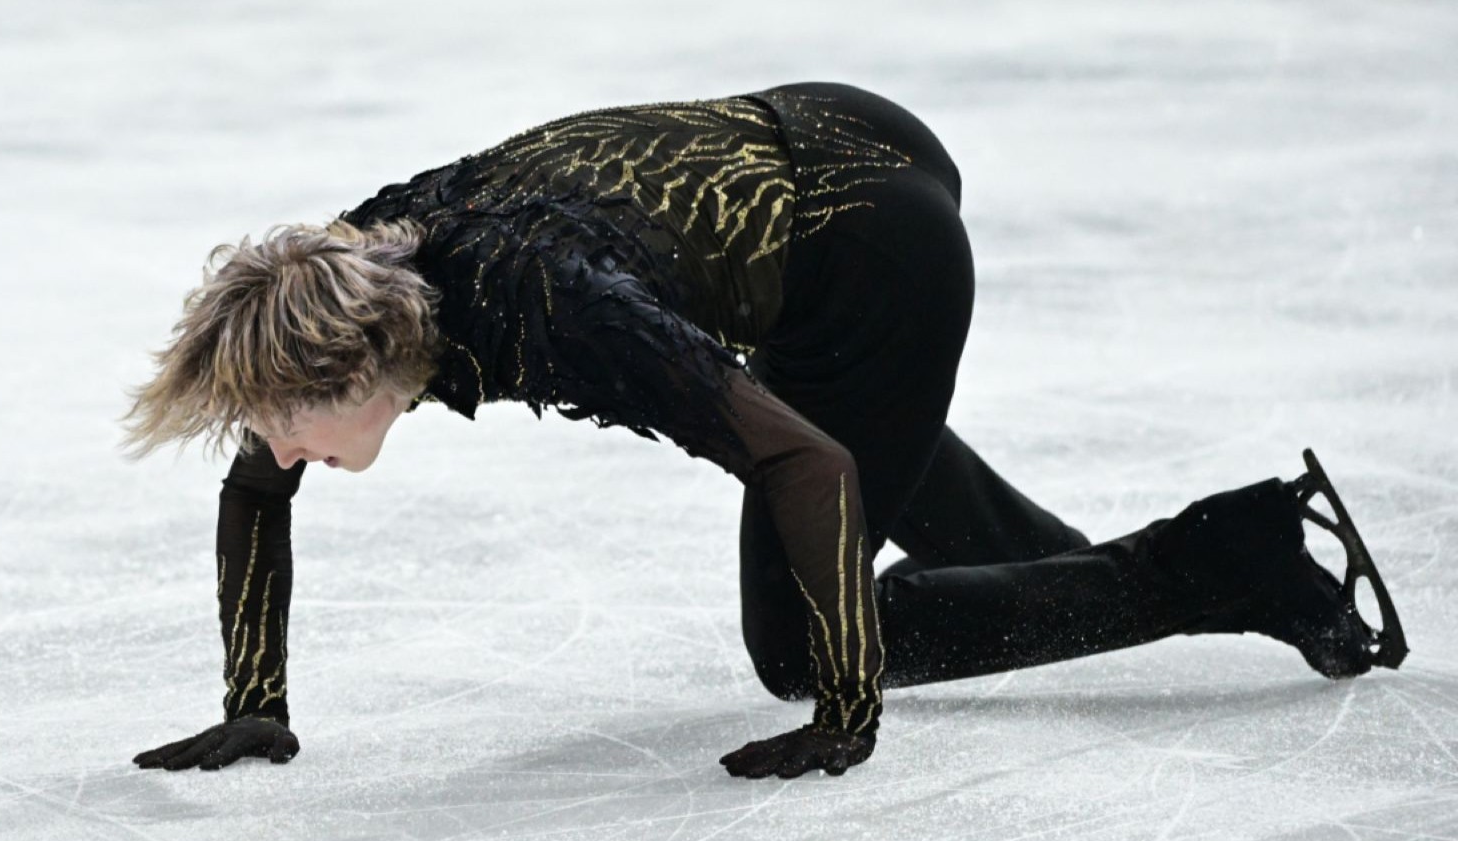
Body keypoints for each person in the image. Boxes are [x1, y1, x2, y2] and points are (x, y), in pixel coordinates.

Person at [117, 81, 1408, 780]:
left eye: (288, 423)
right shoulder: (355, 268)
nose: (279, 452)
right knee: (892, 477)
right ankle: (1122, 573)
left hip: (873, 252)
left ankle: (1238, 555)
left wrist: (845, 707)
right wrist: (257, 704)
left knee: (793, 627)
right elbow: (258, 478)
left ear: (361, 361)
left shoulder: (550, 309)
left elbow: (809, 461)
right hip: (831, 140)